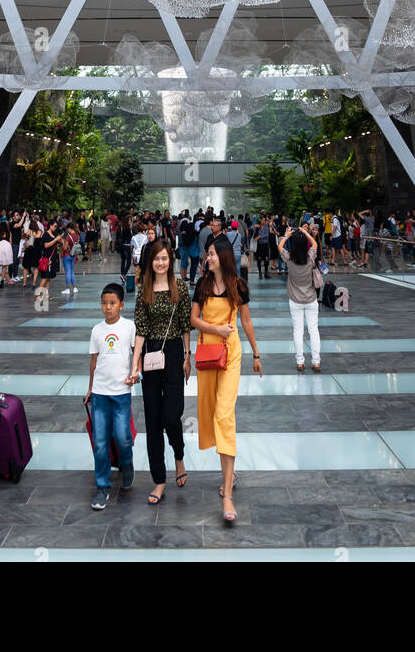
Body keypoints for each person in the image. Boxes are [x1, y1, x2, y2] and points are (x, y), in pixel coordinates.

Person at [190, 236, 263, 524]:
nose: (208, 258)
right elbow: (193, 318)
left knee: (224, 415)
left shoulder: (238, 285)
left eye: (211, 254)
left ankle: (228, 492)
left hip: (230, 354)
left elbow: (246, 321)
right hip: (207, 352)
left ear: (222, 255)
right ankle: (228, 475)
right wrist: (215, 328)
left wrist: (256, 353)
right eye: (207, 254)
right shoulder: (203, 285)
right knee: (210, 415)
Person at [130, 240, 191, 503]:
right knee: (153, 420)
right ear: (150, 262)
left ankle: (178, 455)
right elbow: (141, 330)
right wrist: (135, 363)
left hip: (175, 351)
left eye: (164, 258)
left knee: (171, 416)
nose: (160, 263)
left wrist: (188, 356)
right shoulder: (144, 290)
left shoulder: (181, 288)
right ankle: (159, 480)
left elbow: (186, 324)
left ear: (171, 261)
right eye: (156, 258)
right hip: (151, 356)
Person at [86, 283, 136, 510]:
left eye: (112, 303)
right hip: (100, 394)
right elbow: (94, 362)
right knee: (100, 442)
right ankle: (102, 486)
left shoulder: (129, 327)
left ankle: (126, 464)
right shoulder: (96, 330)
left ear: (121, 305)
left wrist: (137, 374)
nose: (108, 307)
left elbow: (137, 356)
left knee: (123, 436)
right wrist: (89, 388)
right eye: (104, 303)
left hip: (121, 393)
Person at [279, 223, 321, 373]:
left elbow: (280, 246)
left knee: (298, 331)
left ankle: (300, 361)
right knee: (313, 330)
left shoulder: (289, 259)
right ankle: (316, 362)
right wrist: (305, 232)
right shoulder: (310, 257)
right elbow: (315, 243)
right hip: (311, 299)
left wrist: (286, 235)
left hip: (295, 300)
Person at [61, 220, 79, 294]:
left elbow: (65, 248)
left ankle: (67, 289)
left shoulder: (68, 237)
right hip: (73, 255)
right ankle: (75, 288)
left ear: (69, 229)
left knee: (68, 272)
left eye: (67, 229)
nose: (67, 230)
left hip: (66, 255)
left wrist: (62, 242)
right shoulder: (77, 236)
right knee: (71, 272)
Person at [254, 215, 271, 281]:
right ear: (260, 220)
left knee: (266, 259)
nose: (263, 221)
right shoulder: (258, 227)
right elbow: (251, 229)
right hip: (259, 245)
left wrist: (260, 236)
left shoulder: (267, 226)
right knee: (259, 259)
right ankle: (260, 273)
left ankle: (266, 273)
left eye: (264, 220)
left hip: (265, 245)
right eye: (262, 220)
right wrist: (254, 226)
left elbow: (267, 234)